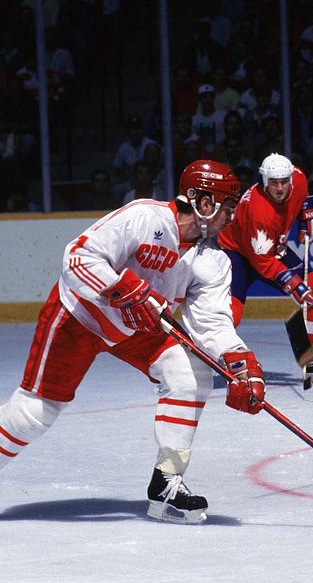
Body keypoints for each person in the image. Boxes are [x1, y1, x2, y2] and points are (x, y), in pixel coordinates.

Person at [0, 160, 265, 525]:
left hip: (138, 327)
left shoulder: (214, 261)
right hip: (82, 315)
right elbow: (78, 256)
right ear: (204, 203)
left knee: (189, 373)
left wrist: (240, 362)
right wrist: (122, 290)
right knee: (33, 415)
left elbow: (212, 323)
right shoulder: (145, 217)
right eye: (228, 206)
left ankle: (166, 484)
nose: (231, 217)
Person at [217, 153, 313, 382]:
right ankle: (199, 362)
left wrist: (306, 215)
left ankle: (312, 358)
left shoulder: (299, 179)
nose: (280, 187)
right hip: (237, 253)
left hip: (271, 249)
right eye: (274, 182)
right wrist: (293, 283)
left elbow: (301, 199)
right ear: (264, 181)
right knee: (229, 313)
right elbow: (261, 261)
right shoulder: (257, 210)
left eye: (284, 181)